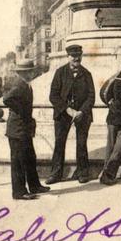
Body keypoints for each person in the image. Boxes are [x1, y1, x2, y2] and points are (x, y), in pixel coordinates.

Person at [46, 44, 95, 184]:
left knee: (81, 144)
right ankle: (56, 174)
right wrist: (67, 109)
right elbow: (53, 96)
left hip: (82, 114)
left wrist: (81, 111)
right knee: (59, 143)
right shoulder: (60, 73)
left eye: (78, 56)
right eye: (73, 56)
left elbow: (91, 96)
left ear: (81, 56)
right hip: (63, 113)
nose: (76, 59)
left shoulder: (87, 74)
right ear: (68, 57)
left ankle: (83, 173)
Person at [3, 59, 51, 200]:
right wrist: (21, 111)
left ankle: (34, 185)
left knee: (30, 157)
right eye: (30, 71)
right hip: (17, 129)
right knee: (18, 161)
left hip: (23, 128)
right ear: (25, 72)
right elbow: (7, 99)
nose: (32, 73)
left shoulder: (25, 84)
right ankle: (19, 192)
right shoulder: (19, 84)